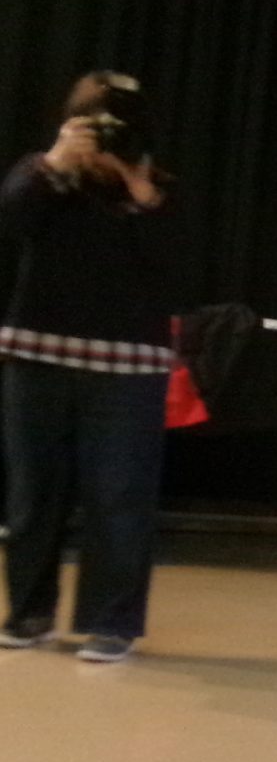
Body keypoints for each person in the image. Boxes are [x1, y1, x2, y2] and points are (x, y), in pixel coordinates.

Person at [1, 72, 181, 664]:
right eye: (96, 125)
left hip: (130, 370)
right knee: (31, 497)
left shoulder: (160, 192)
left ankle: (112, 623)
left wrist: (141, 191)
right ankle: (29, 614)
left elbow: (178, 267)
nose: (108, 140)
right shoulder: (45, 177)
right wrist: (55, 162)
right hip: (37, 357)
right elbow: (13, 220)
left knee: (120, 499)